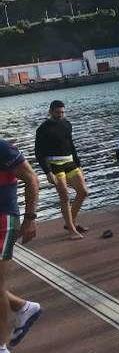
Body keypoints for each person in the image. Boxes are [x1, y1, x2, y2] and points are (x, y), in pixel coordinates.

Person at [0, 139, 42, 351]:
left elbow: (32, 178)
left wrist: (30, 218)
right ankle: (24, 308)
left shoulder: (2, 148)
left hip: (3, 221)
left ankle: (1, 345)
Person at [34, 100, 89, 240]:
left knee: (83, 192)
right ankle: (71, 229)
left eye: (63, 112)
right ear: (50, 111)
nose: (61, 115)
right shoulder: (43, 129)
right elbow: (39, 153)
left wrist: (79, 165)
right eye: (58, 112)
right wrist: (47, 172)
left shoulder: (67, 124)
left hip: (70, 162)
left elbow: (71, 145)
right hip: (55, 165)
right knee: (64, 197)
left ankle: (71, 221)